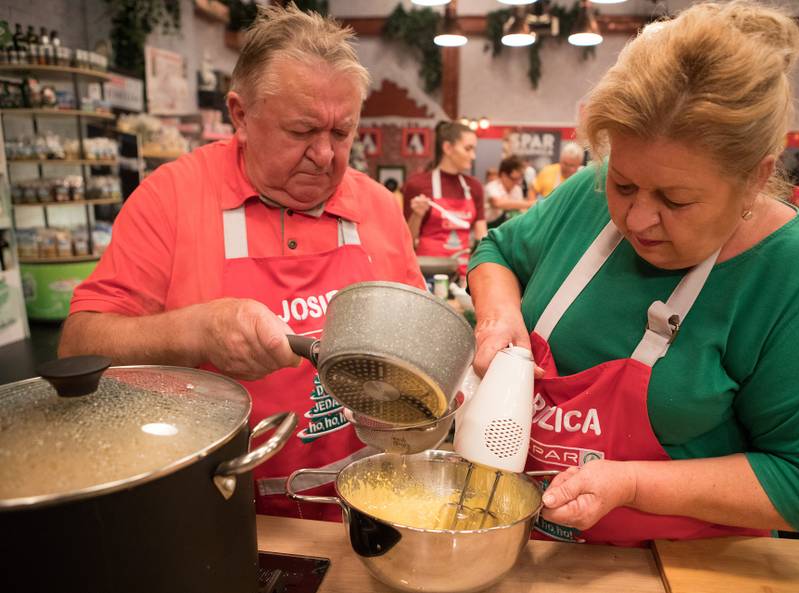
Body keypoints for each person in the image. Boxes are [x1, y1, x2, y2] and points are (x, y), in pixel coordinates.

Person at [468, 1, 799, 547]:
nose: (637, 218)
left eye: (675, 200)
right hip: (534, 552)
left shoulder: (795, 269)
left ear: (756, 177)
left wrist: (633, 483)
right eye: (625, 185)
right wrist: (498, 317)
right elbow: (497, 251)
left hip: (687, 569)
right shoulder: (588, 194)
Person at [58, 6, 425, 521]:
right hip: (212, 514)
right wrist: (197, 332)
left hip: (361, 515)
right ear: (240, 115)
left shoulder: (379, 208)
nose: (325, 155)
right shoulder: (173, 199)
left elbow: (419, 345)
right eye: (301, 131)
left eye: (343, 134)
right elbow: (79, 346)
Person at [403, 122, 487, 276]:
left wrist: (481, 269)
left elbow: (482, 238)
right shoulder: (417, 184)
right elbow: (406, 240)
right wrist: (417, 214)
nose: (473, 156)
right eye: (468, 149)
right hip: (427, 271)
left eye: (474, 149)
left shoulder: (474, 187)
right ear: (447, 148)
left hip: (463, 272)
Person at [484, 155, 534, 229]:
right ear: (503, 175)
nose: (517, 182)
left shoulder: (517, 190)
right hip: (489, 228)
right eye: (514, 179)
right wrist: (530, 203)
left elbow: (520, 210)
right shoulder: (491, 187)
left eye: (519, 179)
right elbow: (497, 203)